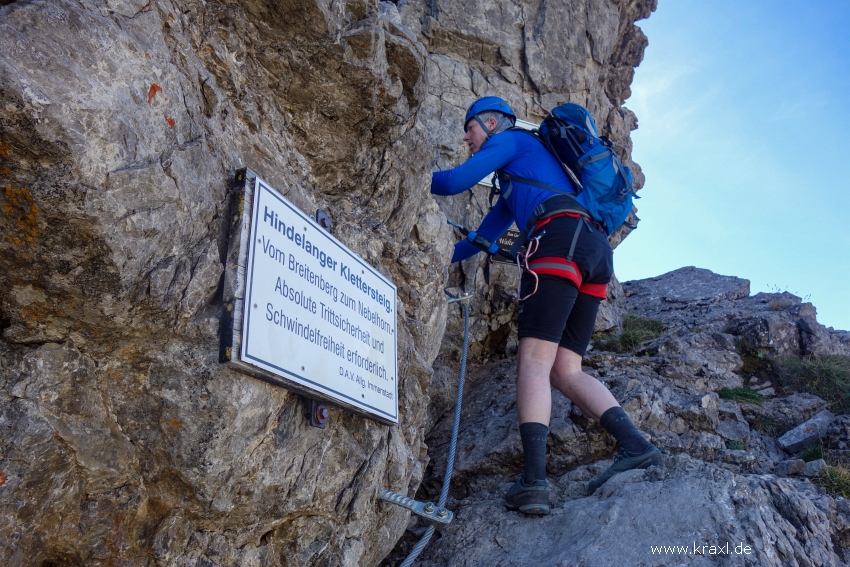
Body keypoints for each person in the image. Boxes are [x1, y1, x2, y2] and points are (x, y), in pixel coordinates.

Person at [431, 96, 662, 515]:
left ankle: (534, 483)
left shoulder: (511, 140)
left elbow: (451, 183)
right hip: (593, 252)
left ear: (492, 121)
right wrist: (431, 253)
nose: (467, 138)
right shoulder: (515, 182)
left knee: (535, 361)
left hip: (555, 240)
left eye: (470, 128)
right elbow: (479, 242)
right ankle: (636, 446)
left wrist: (410, 174)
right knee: (565, 368)